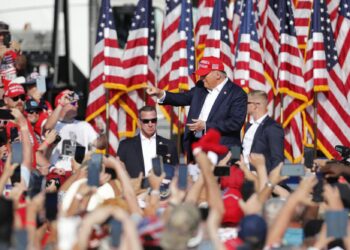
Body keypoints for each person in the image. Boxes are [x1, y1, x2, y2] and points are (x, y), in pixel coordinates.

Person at [146, 57, 247, 162]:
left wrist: (206, 125)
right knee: (196, 177)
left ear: (217, 74)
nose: (201, 78)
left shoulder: (237, 93)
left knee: (221, 177)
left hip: (225, 150)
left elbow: (235, 123)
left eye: (204, 75)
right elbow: (183, 98)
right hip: (198, 148)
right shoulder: (200, 87)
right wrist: (160, 93)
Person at [117, 105, 178, 178]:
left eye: (153, 120)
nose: (150, 124)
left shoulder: (169, 145)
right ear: (139, 123)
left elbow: (176, 174)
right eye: (146, 121)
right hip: (135, 188)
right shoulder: (125, 146)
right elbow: (118, 174)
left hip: (162, 188)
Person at [242, 90, 284, 172]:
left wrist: (269, 182)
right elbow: (243, 149)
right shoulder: (248, 125)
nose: (243, 105)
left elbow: (277, 160)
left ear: (255, 106)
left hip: (260, 179)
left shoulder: (272, 127)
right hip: (244, 176)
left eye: (246, 103)